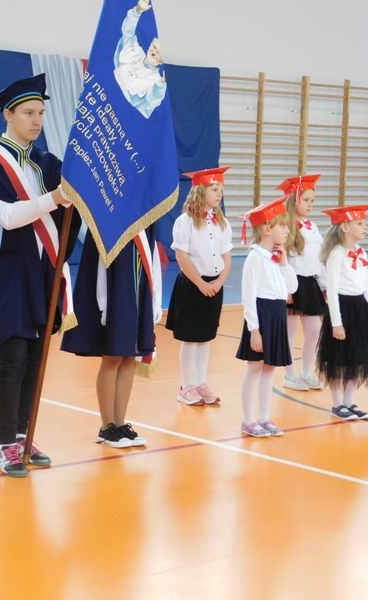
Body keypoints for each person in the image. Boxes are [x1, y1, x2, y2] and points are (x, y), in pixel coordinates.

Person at [0, 74, 81, 478]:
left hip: (41, 272)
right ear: (8, 115)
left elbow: (70, 210)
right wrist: (54, 198)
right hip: (6, 275)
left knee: (35, 357)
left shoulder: (46, 163)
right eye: (28, 113)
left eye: (41, 113)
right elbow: (8, 217)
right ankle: (4, 445)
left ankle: (23, 435)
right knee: (13, 358)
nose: (36, 121)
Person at [61, 221, 162, 448]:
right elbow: (100, 259)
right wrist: (104, 301)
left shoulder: (147, 214)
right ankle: (107, 427)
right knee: (113, 358)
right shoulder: (111, 214)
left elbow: (152, 255)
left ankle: (120, 423)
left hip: (138, 292)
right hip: (114, 292)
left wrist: (155, 298)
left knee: (129, 358)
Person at [165, 167, 233, 406]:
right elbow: (181, 256)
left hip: (214, 285)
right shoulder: (185, 222)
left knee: (205, 337)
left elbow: (226, 257)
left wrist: (219, 282)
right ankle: (186, 387)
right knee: (191, 338)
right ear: (200, 192)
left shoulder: (222, 223)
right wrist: (201, 284)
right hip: (194, 284)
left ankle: (201, 383)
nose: (219, 194)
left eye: (220, 190)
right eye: (214, 189)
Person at [236, 196, 298, 437]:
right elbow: (248, 297)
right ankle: (248, 420)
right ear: (266, 229)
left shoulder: (277, 257)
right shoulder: (255, 258)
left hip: (277, 314)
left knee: (269, 369)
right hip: (261, 316)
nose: (287, 230)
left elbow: (292, 287)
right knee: (255, 368)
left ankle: (264, 418)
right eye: (283, 226)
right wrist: (254, 330)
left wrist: (284, 263)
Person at [316, 204, 368, 421]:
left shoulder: (361, 252)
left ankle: (349, 401)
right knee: (337, 359)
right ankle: (337, 404)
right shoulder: (337, 254)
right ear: (345, 227)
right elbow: (332, 291)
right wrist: (337, 323)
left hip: (360, 308)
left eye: (364, 223)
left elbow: (366, 286)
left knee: (357, 357)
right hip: (342, 309)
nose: (365, 227)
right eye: (359, 223)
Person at [280, 174, 325, 392]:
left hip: (310, 284)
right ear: (294, 199)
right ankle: (290, 375)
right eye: (306, 200)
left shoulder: (312, 226)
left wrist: (324, 285)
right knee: (289, 333)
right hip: (291, 284)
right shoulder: (284, 226)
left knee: (314, 332)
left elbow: (320, 258)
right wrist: (286, 288)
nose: (310, 204)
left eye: (312, 200)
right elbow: (281, 261)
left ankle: (306, 374)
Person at [114, 0, 167, 118]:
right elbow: (127, 33)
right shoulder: (135, 52)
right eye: (154, 47)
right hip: (108, 90)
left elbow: (153, 98)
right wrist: (137, 11)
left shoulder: (155, 80)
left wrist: (162, 83)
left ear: (162, 61)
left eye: (158, 52)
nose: (154, 52)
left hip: (124, 114)